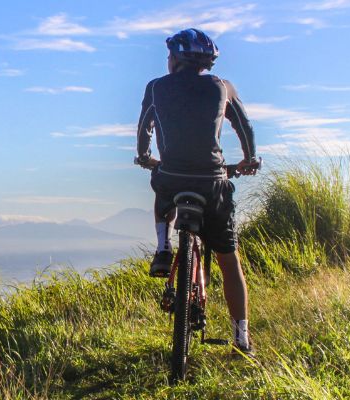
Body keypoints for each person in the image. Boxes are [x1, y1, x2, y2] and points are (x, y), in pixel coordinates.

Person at [133, 28, 260, 355]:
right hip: (213, 182)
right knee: (229, 261)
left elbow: (144, 125)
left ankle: (163, 247)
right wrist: (249, 159)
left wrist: (146, 157)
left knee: (160, 183)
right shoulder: (223, 87)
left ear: (174, 59)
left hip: (172, 178)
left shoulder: (156, 87)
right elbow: (244, 127)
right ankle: (242, 340)